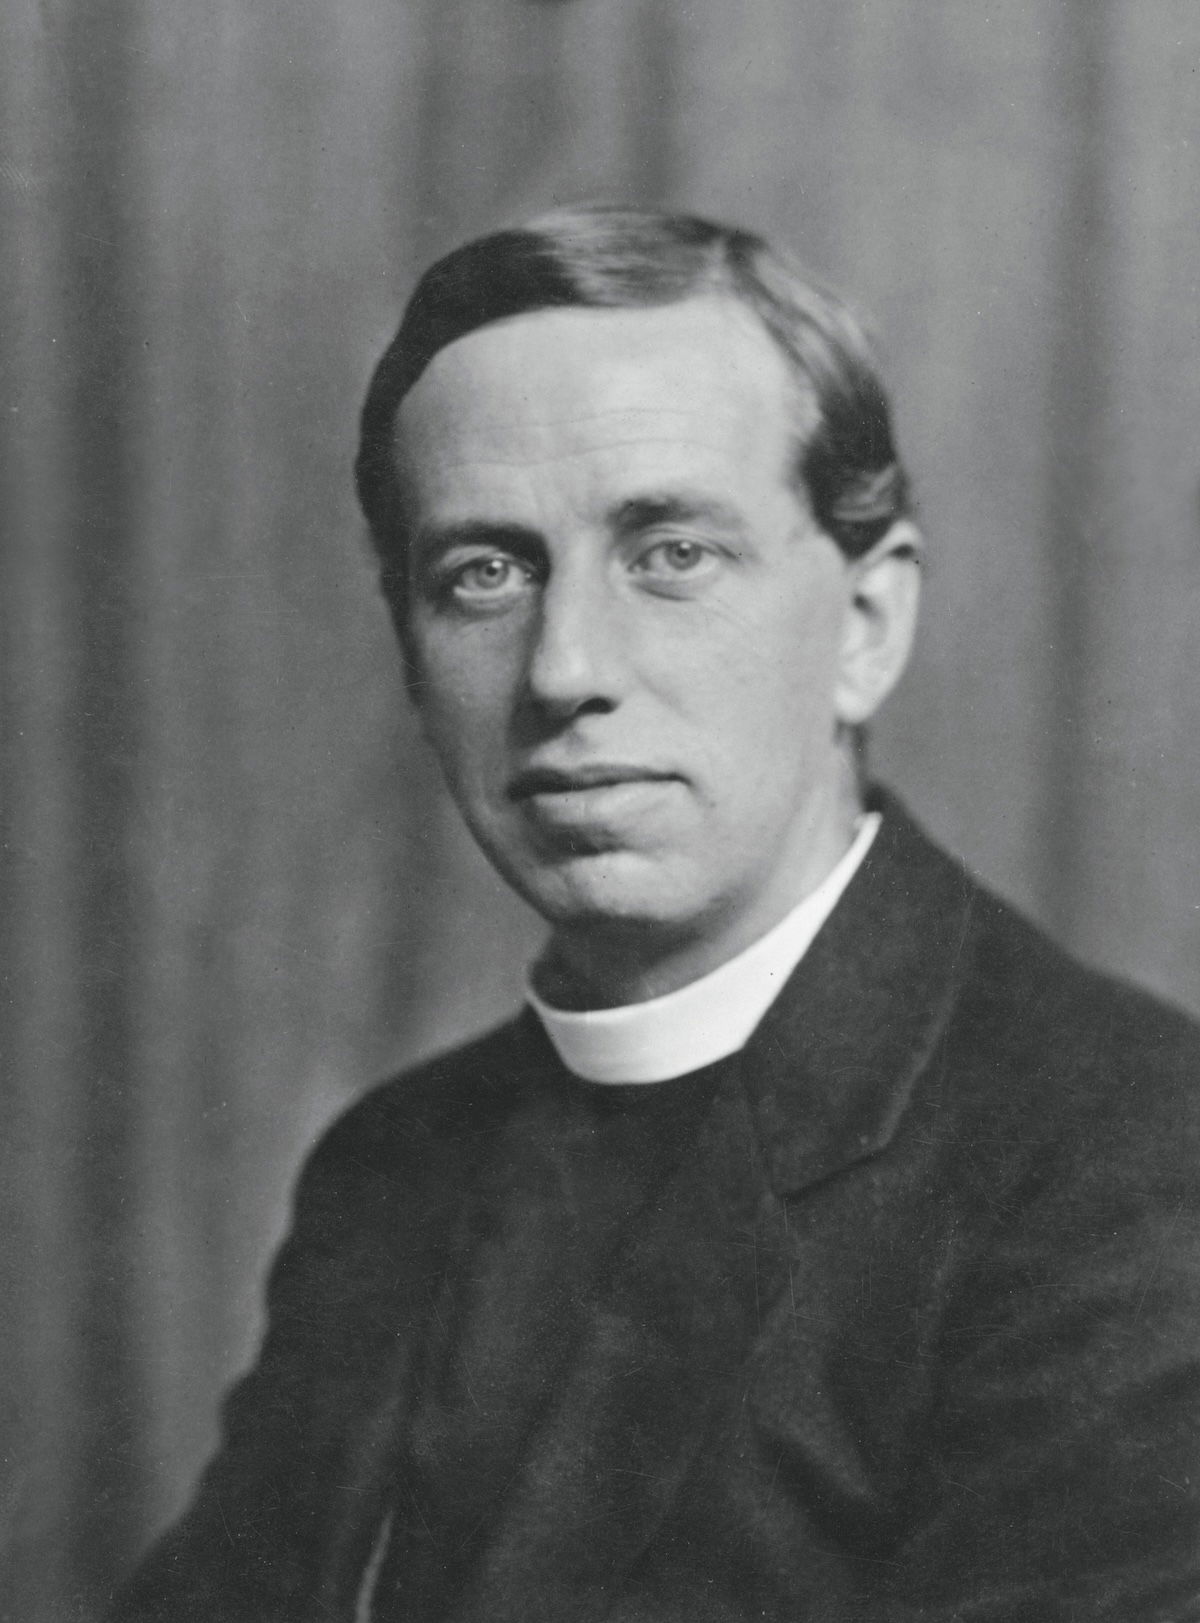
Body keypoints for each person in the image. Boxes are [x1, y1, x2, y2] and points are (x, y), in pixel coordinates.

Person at [109, 207, 1200, 1622]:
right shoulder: (389, 1168)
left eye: (671, 553)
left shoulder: (1126, 1167)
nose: (563, 668)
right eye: (484, 573)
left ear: (866, 625)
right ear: (411, 659)